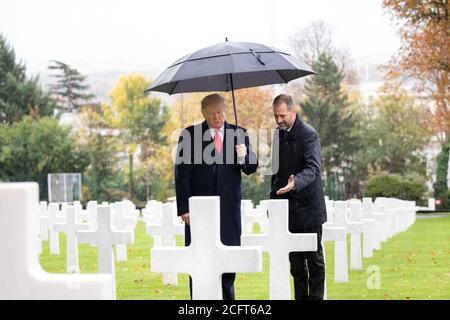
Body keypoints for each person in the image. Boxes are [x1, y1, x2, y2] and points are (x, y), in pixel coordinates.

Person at [174, 93, 258, 300]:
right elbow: (181, 175)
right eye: (211, 114)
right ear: (203, 113)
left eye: (219, 112)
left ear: (225, 109)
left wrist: (243, 154)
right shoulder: (189, 135)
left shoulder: (240, 133)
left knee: (229, 262)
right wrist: (184, 208)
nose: (217, 117)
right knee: (199, 262)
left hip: (228, 211)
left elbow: (250, 168)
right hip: (198, 212)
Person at [269, 93, 327, 300]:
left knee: (315, 262)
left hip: (309, 207)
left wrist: (296, 182)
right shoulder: (277, 135)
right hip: (287, 209)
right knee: (296, 265)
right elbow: (275, 173)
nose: (279, 120)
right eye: (276, 116)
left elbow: (313, 168)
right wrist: (272, 202)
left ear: (294, 112)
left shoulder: (309, 134)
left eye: (283, 115)